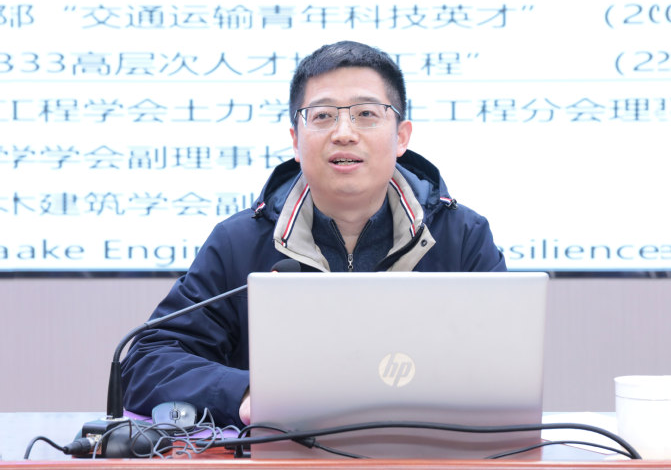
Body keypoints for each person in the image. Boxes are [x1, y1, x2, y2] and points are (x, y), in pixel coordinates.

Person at [121, 40, 506, 428]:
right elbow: (148, 362)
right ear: (295, 140)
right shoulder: (239, 242)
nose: (344, 133)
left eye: (366, 114)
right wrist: (246, 395)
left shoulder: (462, 237)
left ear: (402, 136)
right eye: (322, 116)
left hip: (430, 449)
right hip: (286, 448)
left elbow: (508, 364)